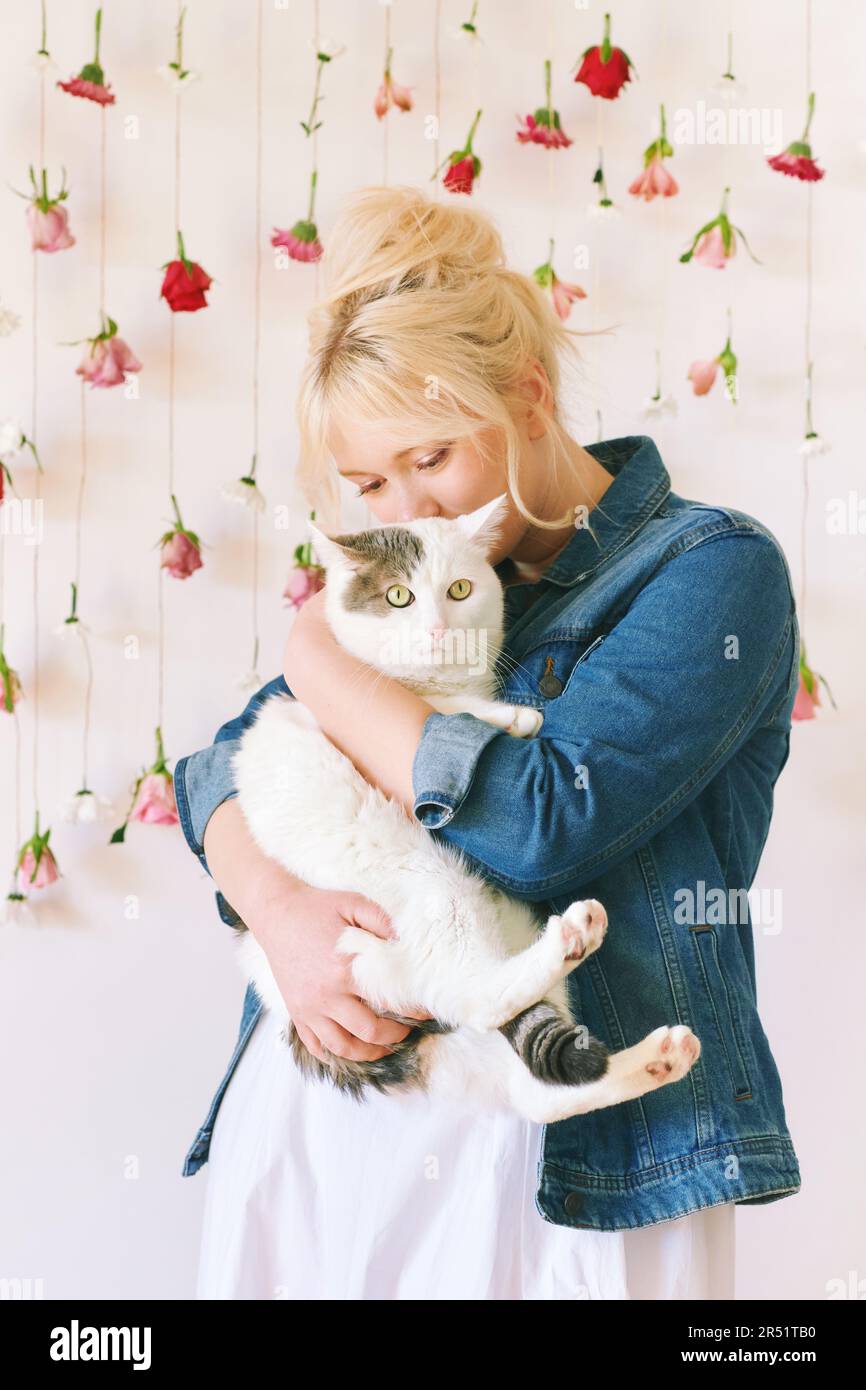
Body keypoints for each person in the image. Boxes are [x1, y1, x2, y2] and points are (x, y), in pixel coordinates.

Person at [174, 185, 801, 1300]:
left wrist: (322, 661)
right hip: (329, 1137)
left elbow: (540, 827)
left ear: (527, 395)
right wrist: (275, 907)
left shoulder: (708, 571)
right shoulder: (410, 583)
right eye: (369, 483)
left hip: (585, 1160)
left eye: (431, 460)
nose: (405, 510)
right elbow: (220, 765)